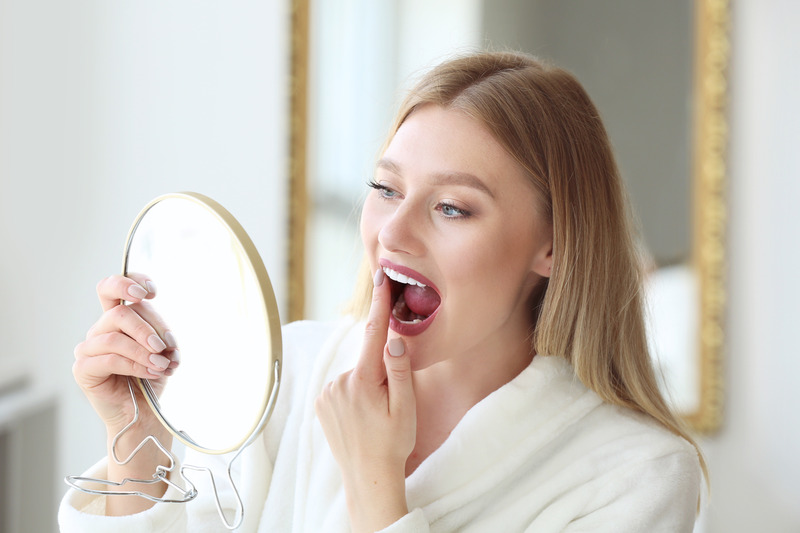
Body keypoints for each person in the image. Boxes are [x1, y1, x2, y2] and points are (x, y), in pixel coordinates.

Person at [60, 51, 704, 532]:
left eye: (452, 207)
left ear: (556, 244)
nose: (392, 232)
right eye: (385, 190)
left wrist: (374, 486)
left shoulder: (636, 476)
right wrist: (137, 439)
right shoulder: (290, 374)